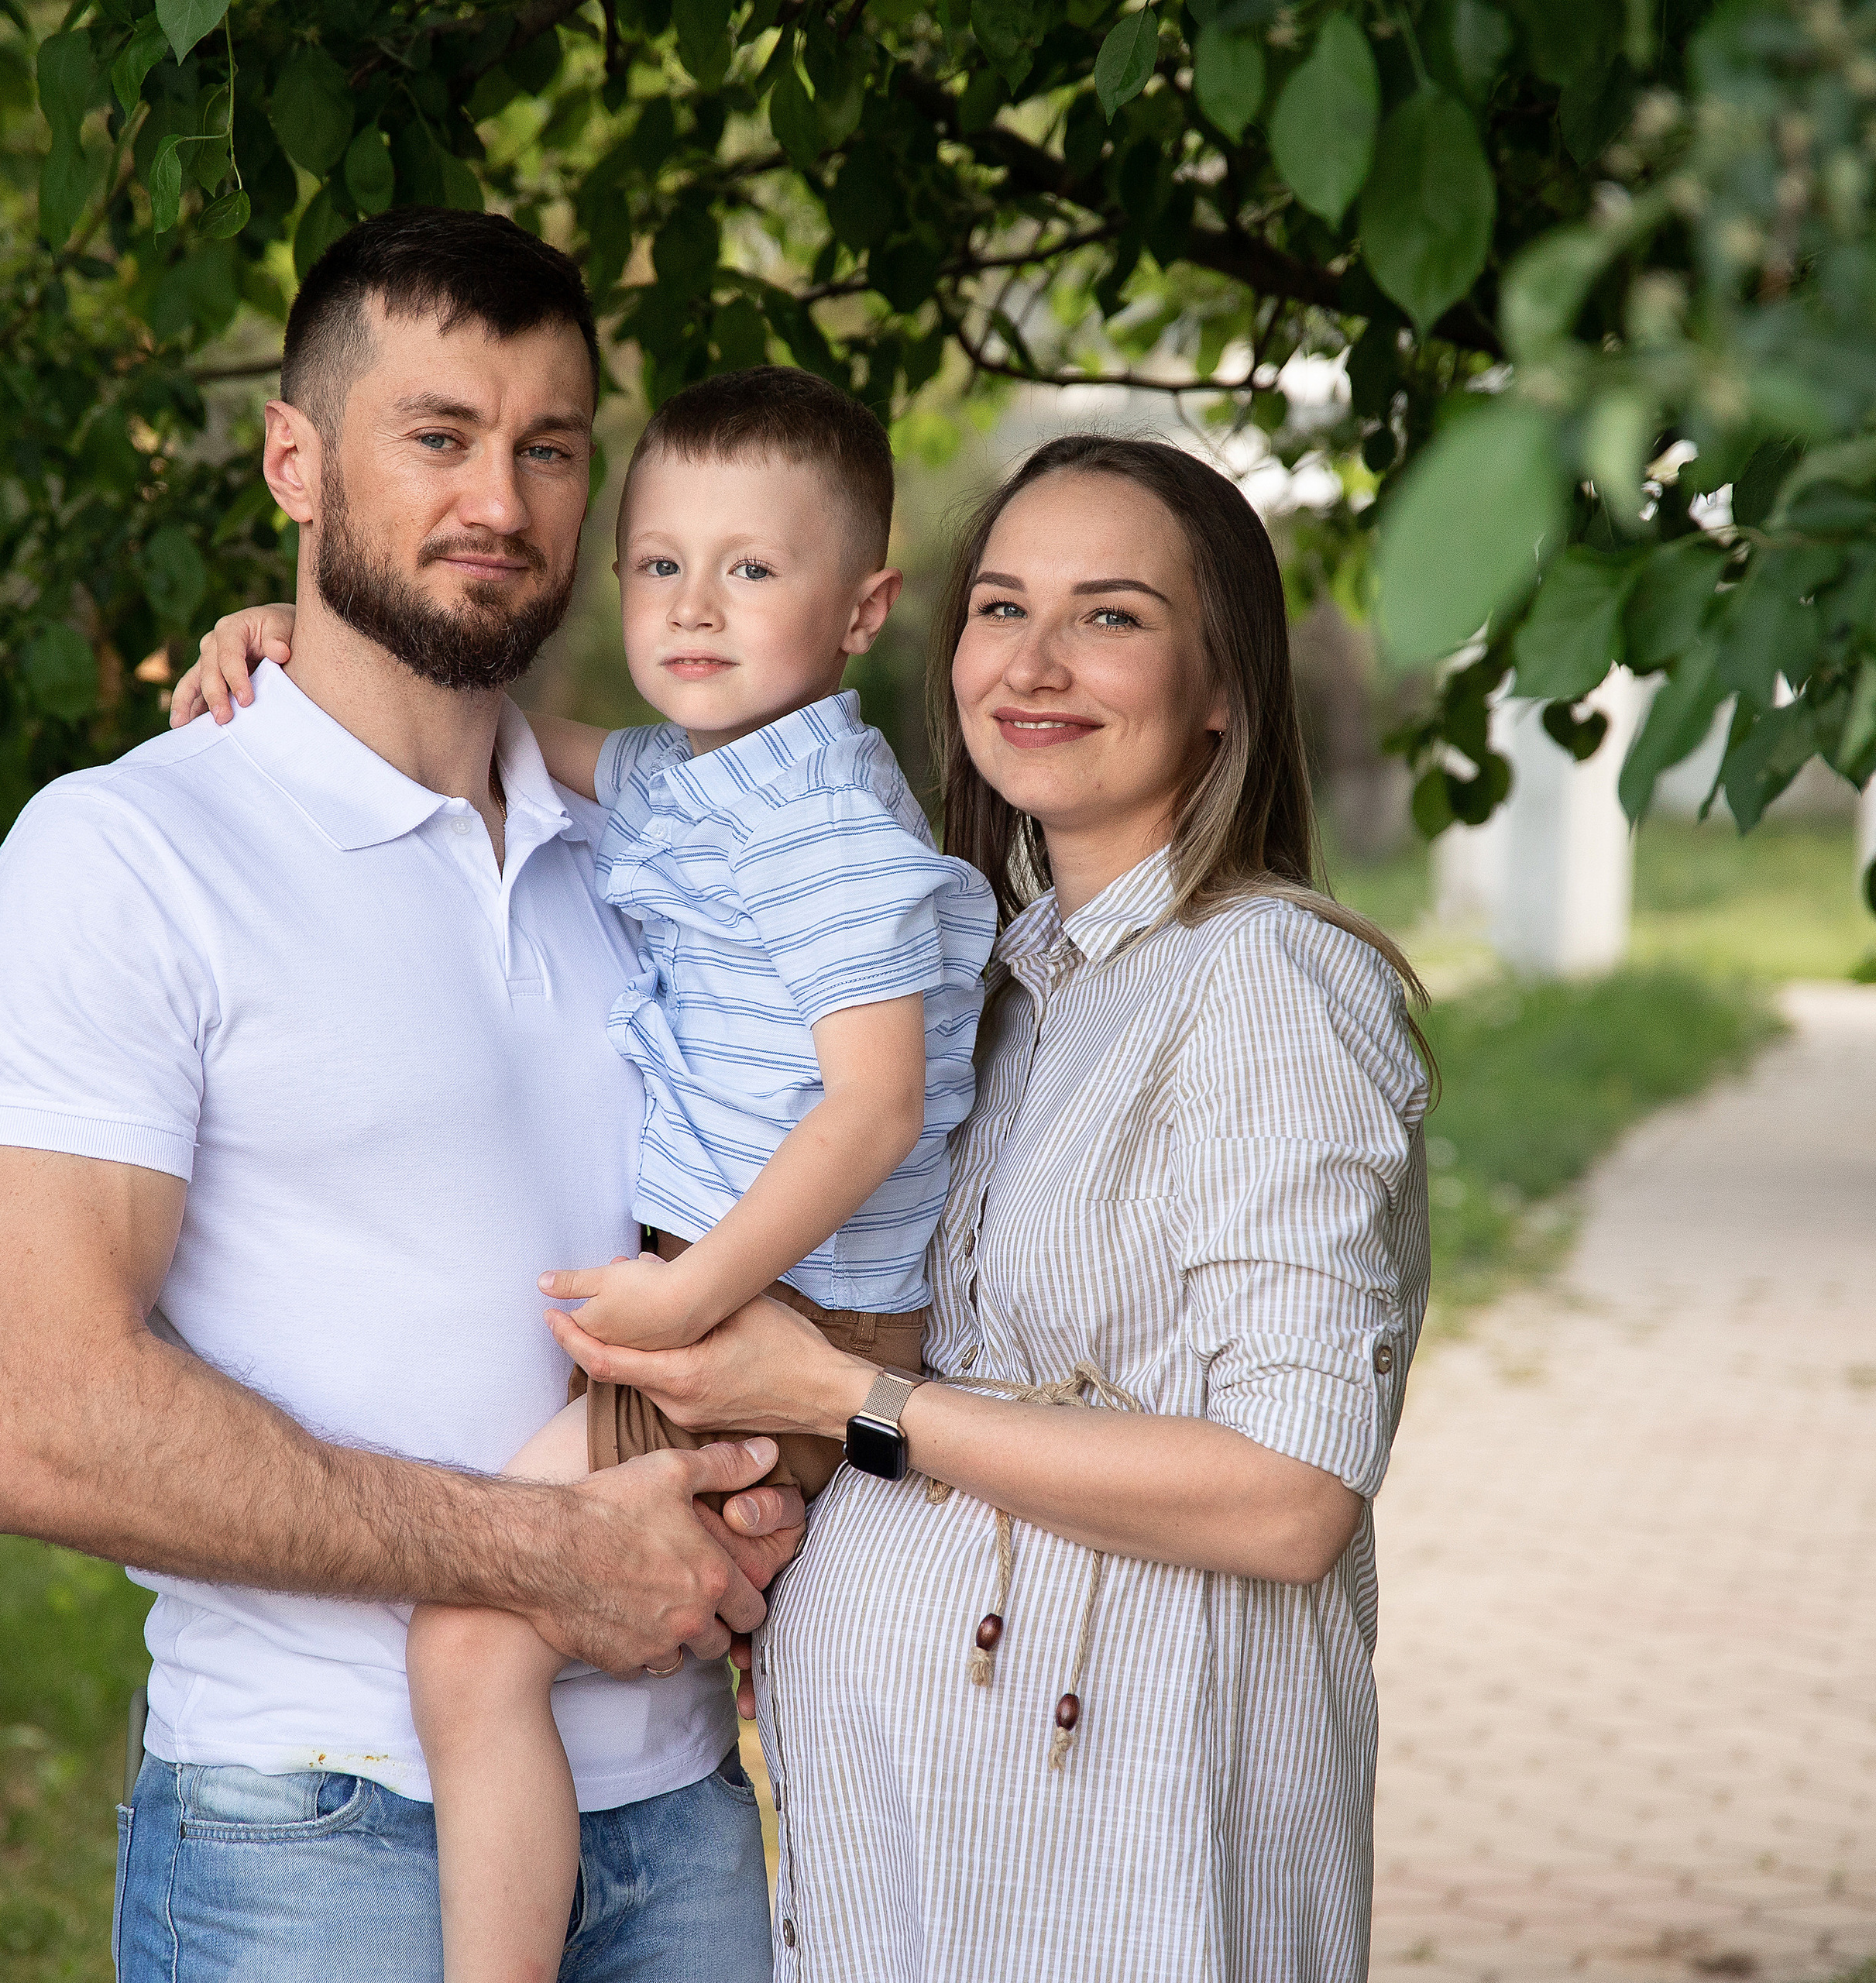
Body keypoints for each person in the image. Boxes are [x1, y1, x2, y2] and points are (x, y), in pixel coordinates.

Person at [0, 207, 804, 1983]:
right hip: (317, 1835)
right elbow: (26, 1416)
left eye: (548, 447)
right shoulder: (133, 852)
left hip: (683, 1815)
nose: (502, 496)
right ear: (293, 459)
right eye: (440, 435)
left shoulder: (660, 851)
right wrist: (542, 1557)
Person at [545, 434, 1434, 1982]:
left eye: (1110, 615)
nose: (1033, 661)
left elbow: (1285, 1495)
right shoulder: (1015, 976)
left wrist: (842, 1399)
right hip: (922, 1851)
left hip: (1124, 1865)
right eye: (1000, 606)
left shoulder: (1265, 986)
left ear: (1221, 683)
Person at [176, 366, 997, 1982]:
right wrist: (285, 641)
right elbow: (509, 739)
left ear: (860, 608)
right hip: (733, 1292)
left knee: (474, 1643)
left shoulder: (824, 817)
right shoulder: (706, 776)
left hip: (777, 1305)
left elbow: (874, 1108)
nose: (693, 606)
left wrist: (692, 1297)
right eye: (656, 565)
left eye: (750, 570)